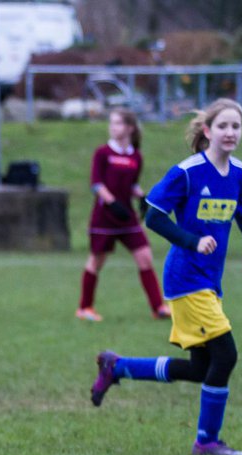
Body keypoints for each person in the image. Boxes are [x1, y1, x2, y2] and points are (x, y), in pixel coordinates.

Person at [90, 99, 242, 455]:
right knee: (226, 355)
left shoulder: (240, 172)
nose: (231, 133)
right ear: (207, 131)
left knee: (202, 368)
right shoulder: (187, 172)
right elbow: (153, 216)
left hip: (209, 280)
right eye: (223, 126)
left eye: (237, 126)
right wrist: (192, 240)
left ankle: (117, 367)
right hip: (186, 278)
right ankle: (206, 441)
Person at [77, 108, 169, 322]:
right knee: (96, 262)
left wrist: (143, 197)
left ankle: (158, 308)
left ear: (129, 128)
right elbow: (96, 184)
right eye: (111, 123)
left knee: (145, 257)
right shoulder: (103, 153)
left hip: (127, 218)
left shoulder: (136, 156)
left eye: (117, 123)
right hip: (104, 218)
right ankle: (84, 308)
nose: (113, 127)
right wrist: (112, 202)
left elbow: (132, 184)